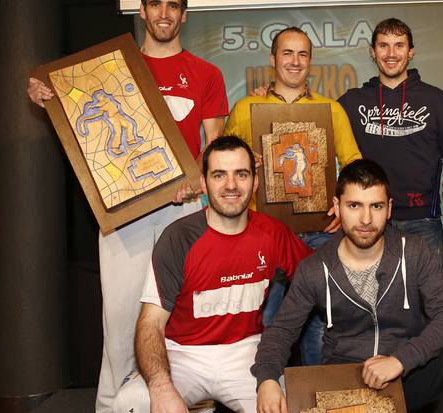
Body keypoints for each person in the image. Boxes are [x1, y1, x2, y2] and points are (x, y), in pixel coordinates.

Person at [26, 1, 229, 411]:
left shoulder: (207, 73)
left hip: (184, 211)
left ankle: (194, 404)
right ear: (142, 11)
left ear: (184, 14)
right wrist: (44, 94)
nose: (164, 12)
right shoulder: (111, 68)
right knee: (119, 317)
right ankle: (112, 406)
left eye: (174, 5)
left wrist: (195, 179)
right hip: (123, 210)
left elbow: (214, 147)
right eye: (155, 3)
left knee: (187, 312)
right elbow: (73, 106)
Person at [253, 159, 443, 413]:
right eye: (354, 205)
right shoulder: (314, 269)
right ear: (337, 207)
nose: (366, 219)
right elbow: (280, 331)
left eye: (376, 206)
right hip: (348, 381)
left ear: (389, 209)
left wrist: (400, 360)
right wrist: (267, 379)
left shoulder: (414, 251)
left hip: (405, 373)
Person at [112, 136, 311, 413]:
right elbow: (151, 323)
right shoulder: (179, 237)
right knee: (130, 404)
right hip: (182, 354)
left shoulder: (273, 233)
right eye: (219, 175)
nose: (231, 185)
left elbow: (322, 277)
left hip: (245, 352)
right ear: (204, 184)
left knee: (292, 406)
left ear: (255, 182)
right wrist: (160, 388)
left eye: (241, 174)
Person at [223, 27, 363, 365]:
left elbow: (354, 164)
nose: (295, 61)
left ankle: (316, 391)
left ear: (310, 61)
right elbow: (221, 162)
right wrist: (246, 162)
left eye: (302, 54)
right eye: (287, 53)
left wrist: (343, 208)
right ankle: (266, 387)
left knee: (319, 323)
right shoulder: (246, 108)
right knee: (266, 321)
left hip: (320, 232)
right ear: (273, 59)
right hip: (265, 234)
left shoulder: (331, 109)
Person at [337, 18, 443, 267]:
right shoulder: (351, 101)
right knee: (372, 290)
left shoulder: (435, 99)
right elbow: (317, 127)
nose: (391, 53)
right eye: (383, 46)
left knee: (428, 290)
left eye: (399, 45)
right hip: (370, 220)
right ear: (373, 52)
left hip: (422, 220)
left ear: (411, 52)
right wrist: (271, 91)